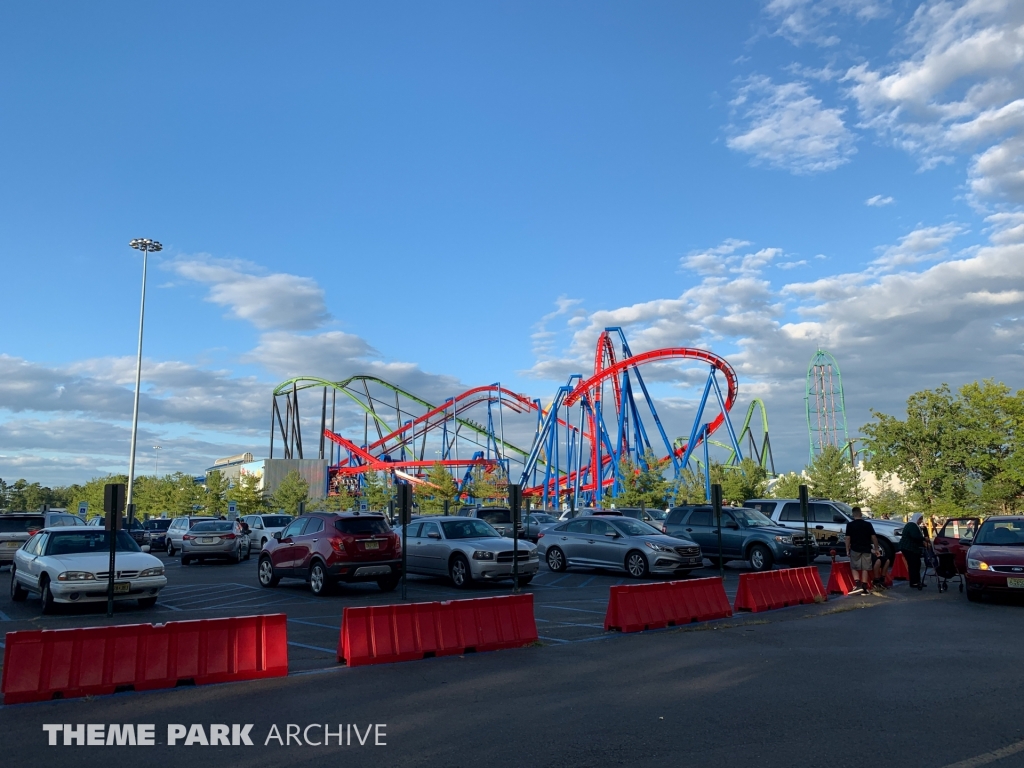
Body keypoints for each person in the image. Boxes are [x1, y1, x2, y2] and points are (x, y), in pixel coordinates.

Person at [845, 506, 879, 594]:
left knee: (854, 567)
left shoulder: (850, 525)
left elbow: (848, 538)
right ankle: (864, 586)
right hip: (866, 549)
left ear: (853, 514)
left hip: (855, 548)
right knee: (865, 568)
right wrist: (876, 548)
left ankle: (858, 585)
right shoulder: (868, 524)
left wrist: (847, 549)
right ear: (860, 513)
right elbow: (874, 537)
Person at [898, 512, 928, 589]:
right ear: (916, 518)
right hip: (909, 548)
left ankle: (917, 581)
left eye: (921, 519)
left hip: (910, 548)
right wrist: (924, 539)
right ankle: (914, 582)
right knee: (913, 565)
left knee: (916, 564)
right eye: (920, 519)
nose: (920, 521)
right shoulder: (912, 525)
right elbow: (915, 536)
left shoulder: (912, 525)